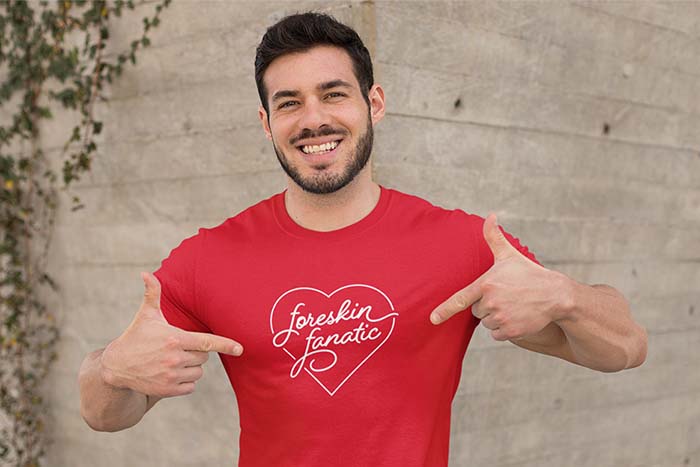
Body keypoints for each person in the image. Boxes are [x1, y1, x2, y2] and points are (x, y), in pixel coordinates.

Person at [78, 11, 648, 467]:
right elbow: (104, 414)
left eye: (333, 94)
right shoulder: (208, 259)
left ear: (373, 103)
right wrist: (109, 369)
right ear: (265, 123)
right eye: (289, 103)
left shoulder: (464, 246)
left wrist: (566, 297)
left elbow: (626, 349)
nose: (313, 119)